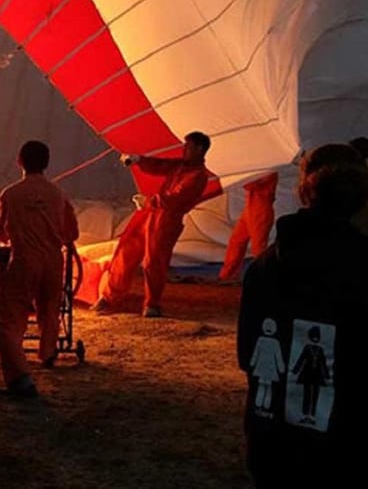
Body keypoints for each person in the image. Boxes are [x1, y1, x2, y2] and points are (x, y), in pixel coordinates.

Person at [237, 143, 368, 486]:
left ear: (302, 191)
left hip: (273, 441)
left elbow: (247, 353)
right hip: (345, 444)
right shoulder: (360, 266)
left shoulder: (265, 267)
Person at [0, 140, 79, 398]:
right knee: (50, 308)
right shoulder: (58, 194)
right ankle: (48, 353)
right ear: (47, 163)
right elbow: (71, 232)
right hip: (53, 261)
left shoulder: (10, 194)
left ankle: (20, 379)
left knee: (6, 320)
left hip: (25, 260)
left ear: (19, 161)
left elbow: (3, 234)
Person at [92, 131, 211, 317]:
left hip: (166, 219)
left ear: (199, 149)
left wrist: (150, 202)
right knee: (125, 251)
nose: (184, 150)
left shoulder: (198, 176)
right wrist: (139, 160)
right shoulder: (181, 166)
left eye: (188, 147)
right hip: (150, 214)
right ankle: (109, 297)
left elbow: (175, 197)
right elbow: (160, 165)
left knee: (154, 262)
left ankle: (152, 304)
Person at [218, 172, 279, 282]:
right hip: (251, 208)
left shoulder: (269, 172)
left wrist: (238, 176)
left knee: (258, 247)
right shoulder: (263, 171)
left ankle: (263, 277)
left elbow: (250, 185)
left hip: (261, 210)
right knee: (237, 241)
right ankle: (228, 275)